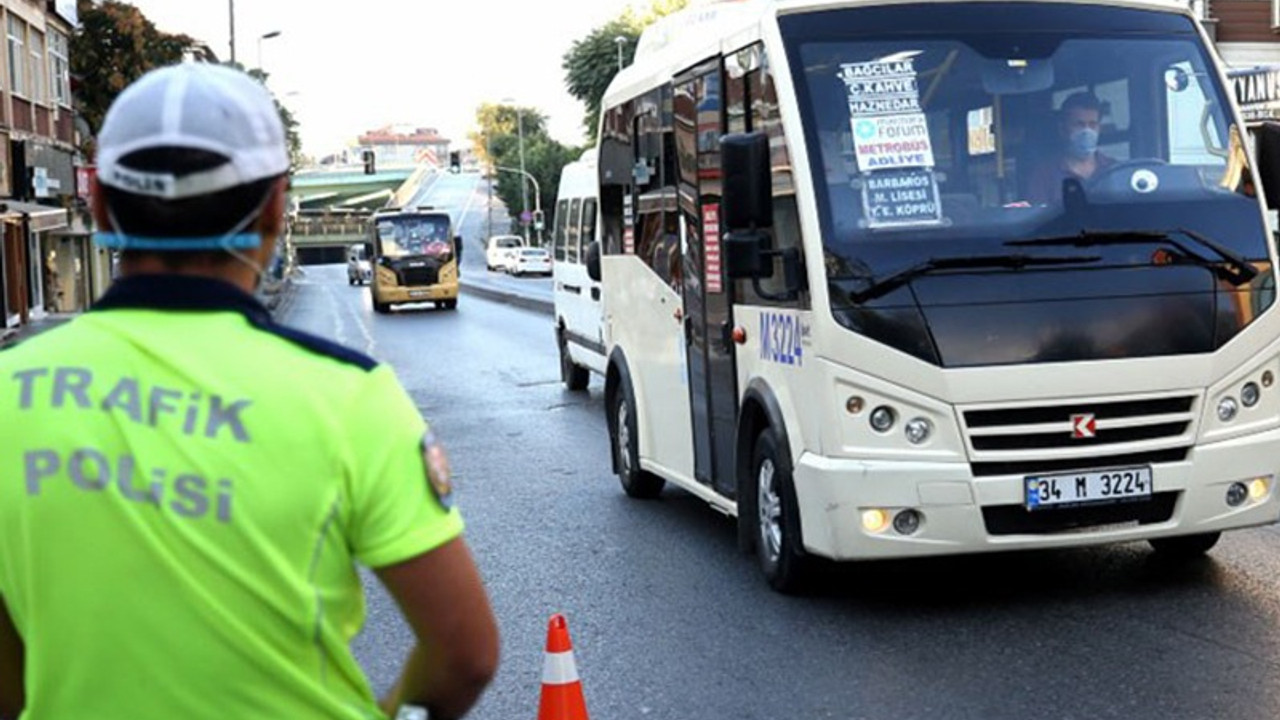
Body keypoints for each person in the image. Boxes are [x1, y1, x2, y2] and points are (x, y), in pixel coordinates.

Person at [0, 63, 497, 720]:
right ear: (275, 208)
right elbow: (467, 655)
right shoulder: (347, 396)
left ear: (98, 205)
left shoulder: (10, 394)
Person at [1026, 91, 1115, 205]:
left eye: (1092, 124)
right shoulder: (1044, 175)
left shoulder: (1113, 170)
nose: (1087, 131)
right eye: (1079, 124)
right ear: (1062, 129)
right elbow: (1037, 219)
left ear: (1099, 128)